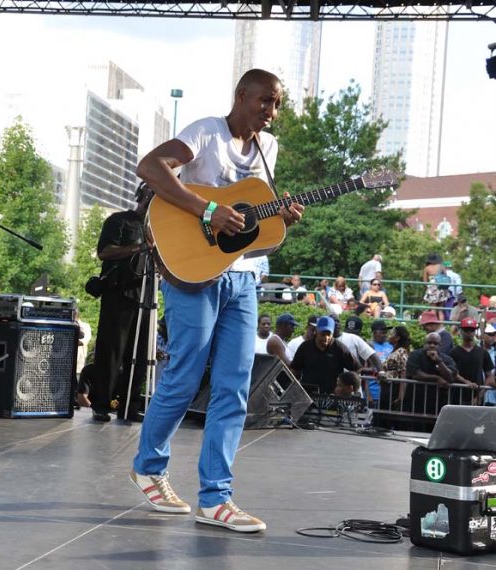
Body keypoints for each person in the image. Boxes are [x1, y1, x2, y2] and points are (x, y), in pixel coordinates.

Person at [130, 69, 303, 533]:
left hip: (243, 277)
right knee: (185, 377)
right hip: (193, 272)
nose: (272, 111)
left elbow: (254, 220)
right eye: (265, 100)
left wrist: (282, 217)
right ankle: (149, 465)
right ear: (241, 95)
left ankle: (217, 499)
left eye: (277, 104)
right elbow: (150, 167)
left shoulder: (269, 150)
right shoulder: (205, 132)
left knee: (234, 389)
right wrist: (207, 209)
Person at [89, 184, 154, 423]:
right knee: (111, 352)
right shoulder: (119, 221)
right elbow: (104, 252)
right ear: (142, 196)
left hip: (147, 297)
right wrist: (140, 247)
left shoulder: (159, 228)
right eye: (151, 196)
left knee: (141, 355)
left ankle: (129, 405)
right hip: (119, 294)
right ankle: (101, 404)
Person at [291, 316, 359, 395]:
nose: (326, 337)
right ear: (316, 331)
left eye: (328, 334)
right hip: (308, 394)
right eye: (323, 334)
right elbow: (295, 370)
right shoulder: (305, 347)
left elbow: (357, 369)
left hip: (333, 396)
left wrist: (345, 388)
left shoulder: (340, 348)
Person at [406, 332, 458, 415]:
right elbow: (415, 374)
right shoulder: (415, 355)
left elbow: (450, 377)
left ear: (440, 345)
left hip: (438, 403)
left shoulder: (447, 359)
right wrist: (437, 378)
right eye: (429, 343)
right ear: (424, 343)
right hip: (415, 401)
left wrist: (439, 361)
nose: (432, 345)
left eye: (435, 343)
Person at [449, 318, 493, 405]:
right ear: (461, 331)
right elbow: (452, 372)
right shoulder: (453, 352)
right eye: (466, 330)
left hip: (476, 396)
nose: (469, 332)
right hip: (457, 395)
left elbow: (489, 376)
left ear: (475, 331)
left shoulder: (483, 352)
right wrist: (466, 382)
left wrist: (479, 396)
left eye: (472, 330)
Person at [378, 325, 411, 410]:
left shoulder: (401, 352)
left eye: (391, 334)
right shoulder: (395, 351)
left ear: (397, 338)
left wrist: (400, 397)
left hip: (393, 389)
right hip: (387, 388)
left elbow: (403, 373)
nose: (388, 336)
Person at [422, 253, 450, 320]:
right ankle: (441, 325)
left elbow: (425, 281)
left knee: (433, 309)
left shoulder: (427, 268)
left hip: (432, 289)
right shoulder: (441, 266)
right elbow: (446, 277)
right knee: (440, 310)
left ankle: (433, 324)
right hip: (441, 288)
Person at [482, 324, 496, 405]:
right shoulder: (476, 350)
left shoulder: (495, 352)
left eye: (494, 334)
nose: (493, 337)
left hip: (493, 396)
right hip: (478, 393)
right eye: (490, 334)